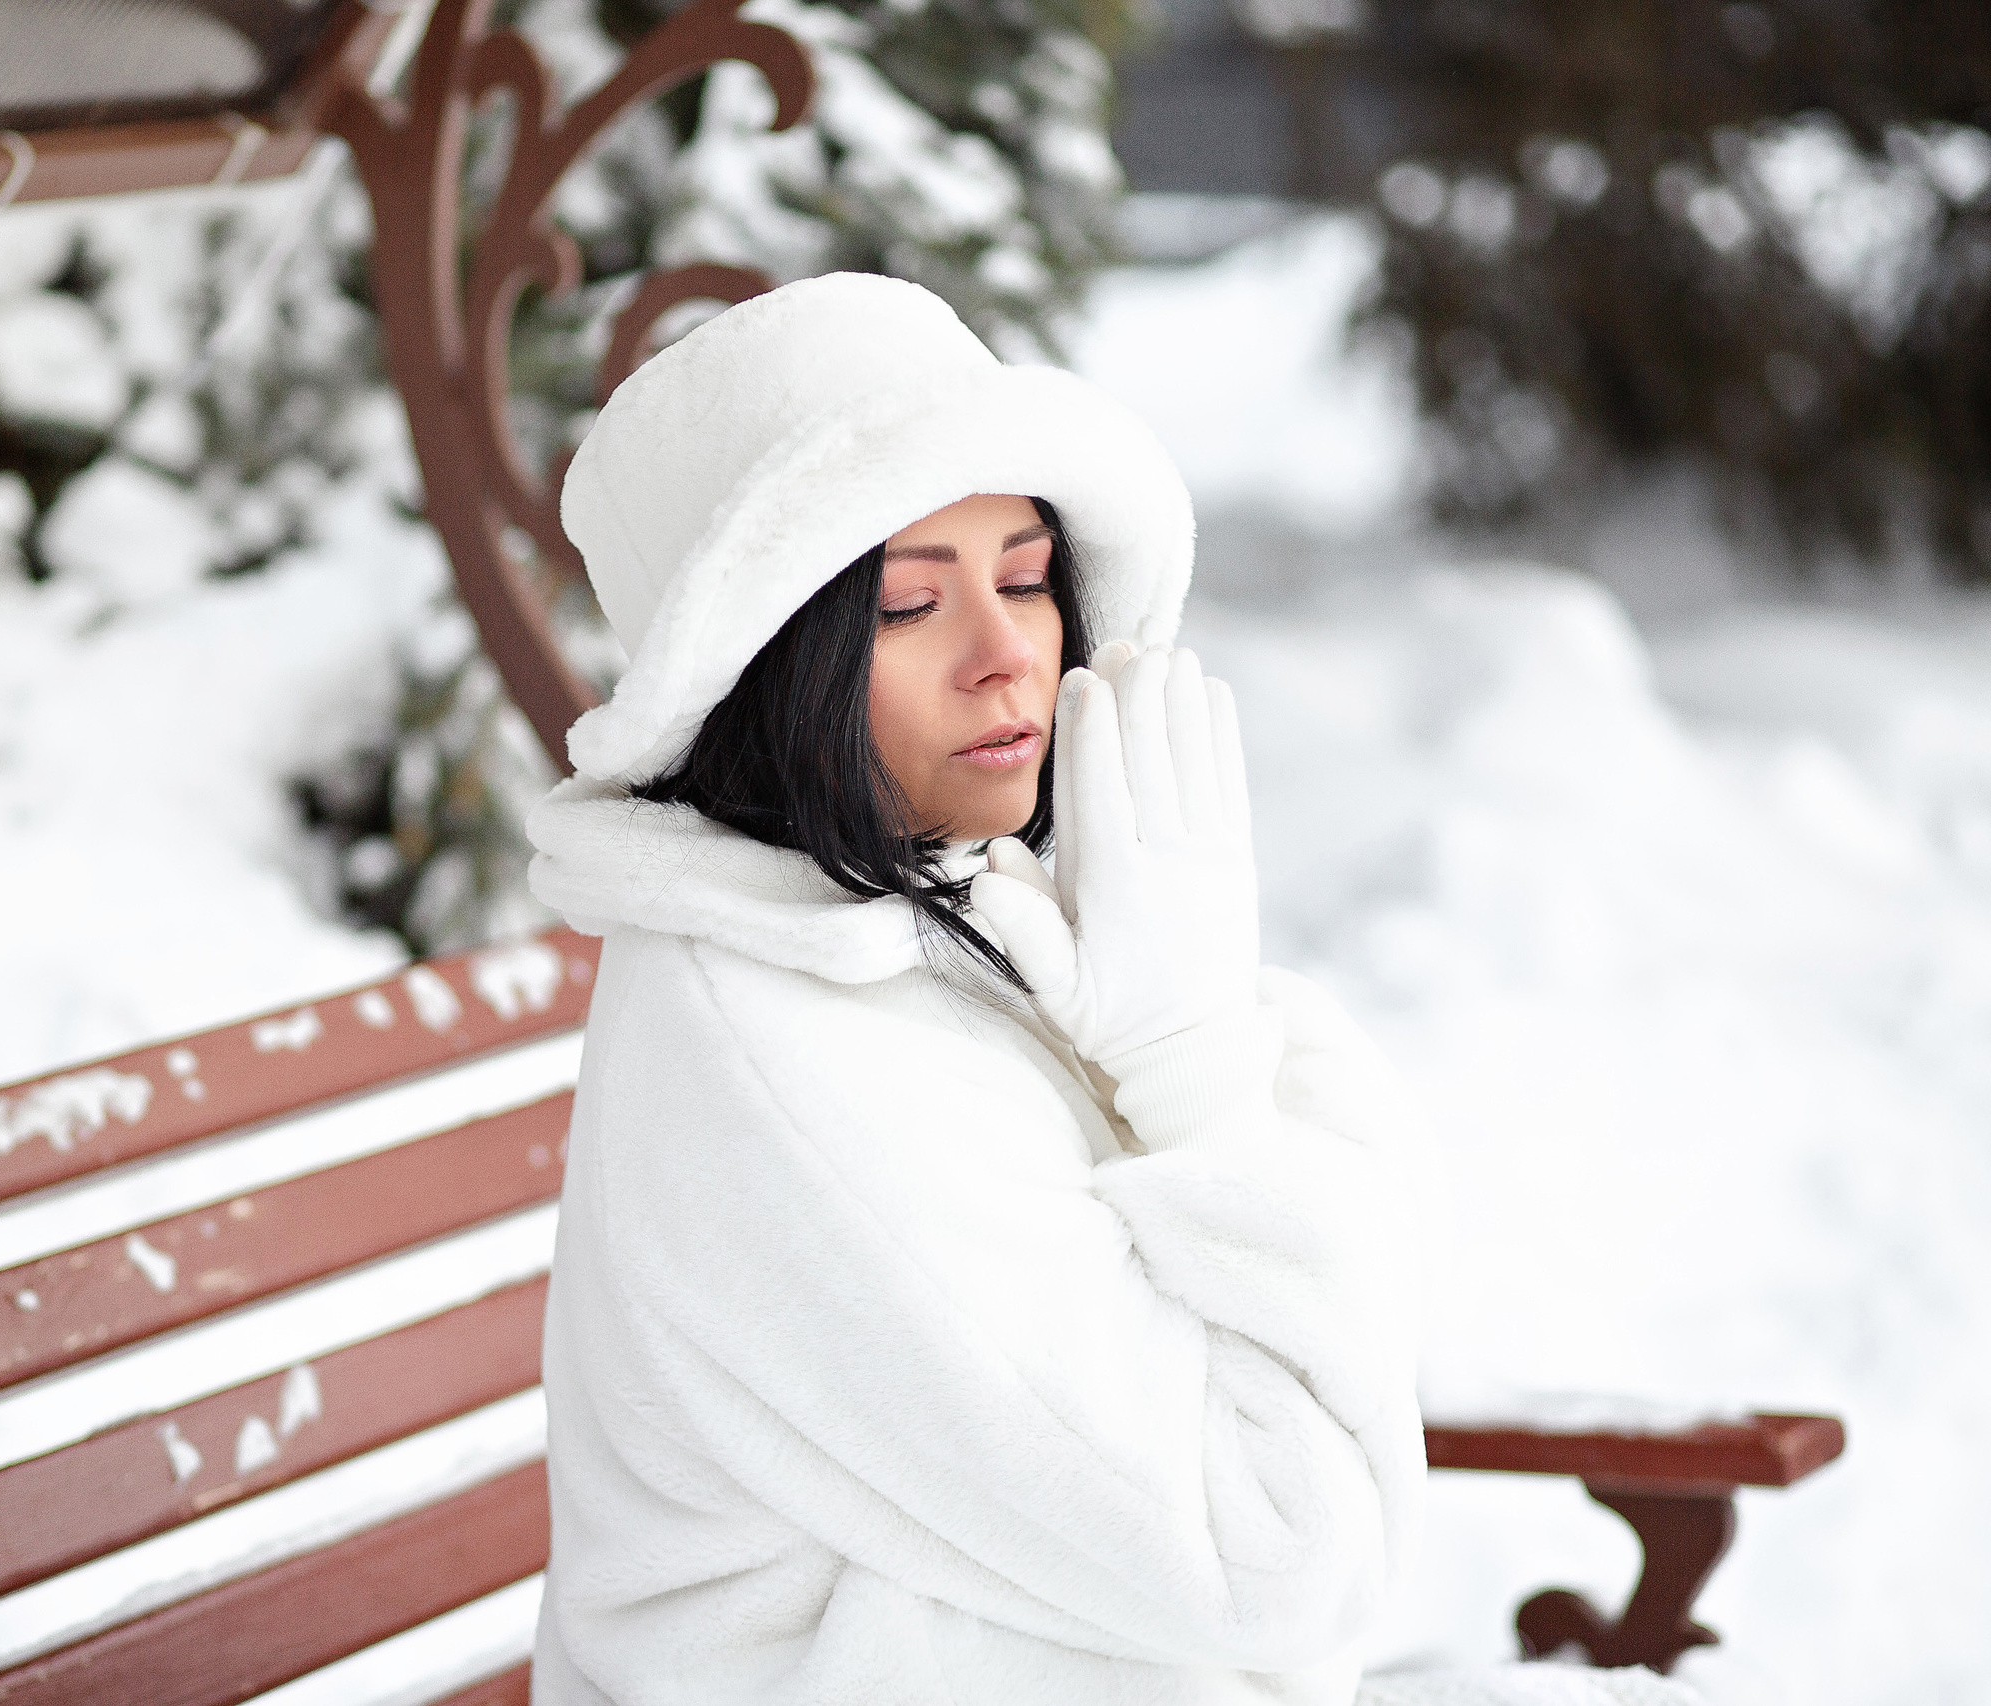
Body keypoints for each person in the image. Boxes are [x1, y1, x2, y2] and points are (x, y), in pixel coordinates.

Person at [523, 273, 1696, 1706]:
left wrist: (1197, 1022)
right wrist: (1196, 1067)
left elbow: (1375, 1247)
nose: (1005, 650)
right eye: (905, 604)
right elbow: (1284, 1550)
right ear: (773, 674)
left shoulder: (960, 917)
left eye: (1023, 577)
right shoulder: (779, 1050)